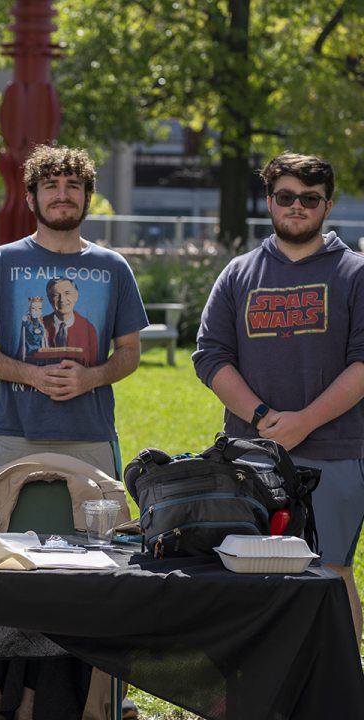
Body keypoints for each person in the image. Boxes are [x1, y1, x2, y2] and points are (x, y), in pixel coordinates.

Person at [193, 151, 364, 644]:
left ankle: (340, 694)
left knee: (331, 572)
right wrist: (266, 420)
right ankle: (254, 691)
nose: (296, 207)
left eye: (309, 199)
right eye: (285, 197)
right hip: (250, 453)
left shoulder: (354, 274)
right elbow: (211, 356)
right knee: (248, 575)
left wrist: (305, 421)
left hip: (335, 451)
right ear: (269, 202)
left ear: (327, 206)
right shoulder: (239, 274)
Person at [0, 144, 147, 479]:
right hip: (14, 434)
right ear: (31, 199)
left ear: (88, 198)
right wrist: (31, 375)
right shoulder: (2, 262)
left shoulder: (113, 267)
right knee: (4, 532)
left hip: (92, 435)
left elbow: (130, 351)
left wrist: (92, 378)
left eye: (73, 185)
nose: (63, 194)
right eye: (50, 186)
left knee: (98, 533)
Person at [39, 277, 99, 366]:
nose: (62, 299)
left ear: (76, 296)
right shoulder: (38, 326)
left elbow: (93, 366)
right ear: (49, 299)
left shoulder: (88, 328)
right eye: (56, 295)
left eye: (67, 293)